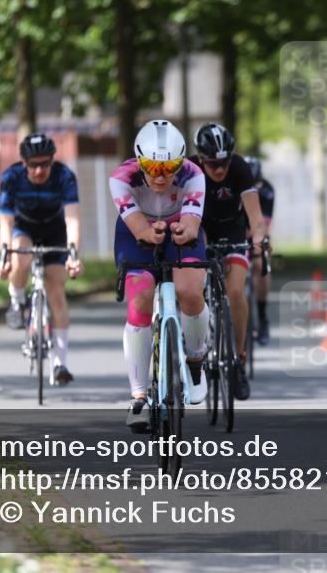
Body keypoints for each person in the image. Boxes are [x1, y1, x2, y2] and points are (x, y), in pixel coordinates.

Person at [109, 119, 210, 427]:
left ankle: (195, 359)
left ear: (181, 162)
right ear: (140, 161)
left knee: (191, 291)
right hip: (135, 231)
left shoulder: (194, 175)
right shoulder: (121, 178)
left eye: (170, 167)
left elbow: (192, 223)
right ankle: (138, 395)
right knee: (139, 299)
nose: (161, 175)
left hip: (179, 228)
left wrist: (185, 230)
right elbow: (140, 229)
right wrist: (148, 232)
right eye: (152, 167)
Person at [0, 133, 83, 386]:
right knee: (20, 258)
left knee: (56, 291)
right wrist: (4, 255)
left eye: (45, 163)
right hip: (25, 229)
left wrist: (74, 254)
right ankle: (17, 301)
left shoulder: (64, 177)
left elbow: (73, 220)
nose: (40, 169)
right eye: (33, 164)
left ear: (53, 161)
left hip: (55, 231)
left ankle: (60, 363)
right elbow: (5, 222)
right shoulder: (11, 178)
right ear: (24, 163)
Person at [191, 123, 267, 401]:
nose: (220, 170)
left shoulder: (240, 169)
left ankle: (237, 359)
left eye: (224, 162)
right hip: (199, 230)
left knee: (235, 291)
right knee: (193, 290)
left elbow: (256, 218)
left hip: (233, 228)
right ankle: (196, 350)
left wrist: (259, 238)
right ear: (200, 158)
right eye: (213, 164)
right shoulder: (189, 169)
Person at [244, 155, 275, 345]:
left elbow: (265, 223)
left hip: (256, 229)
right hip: (236, 228)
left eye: (257, 182)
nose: (254, 186)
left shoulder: (267, 190)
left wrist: (258, 240)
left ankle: (262, 316)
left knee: (260, 261)